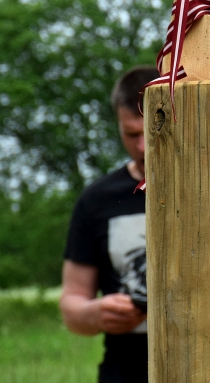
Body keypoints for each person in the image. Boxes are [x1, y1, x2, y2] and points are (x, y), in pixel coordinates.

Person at [60, 66, 158, 383]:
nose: (143, 146)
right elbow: (72, 303)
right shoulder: (96, 201)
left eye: (151, 131)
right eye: (132, 134)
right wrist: (96, 313)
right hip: (124, 370)